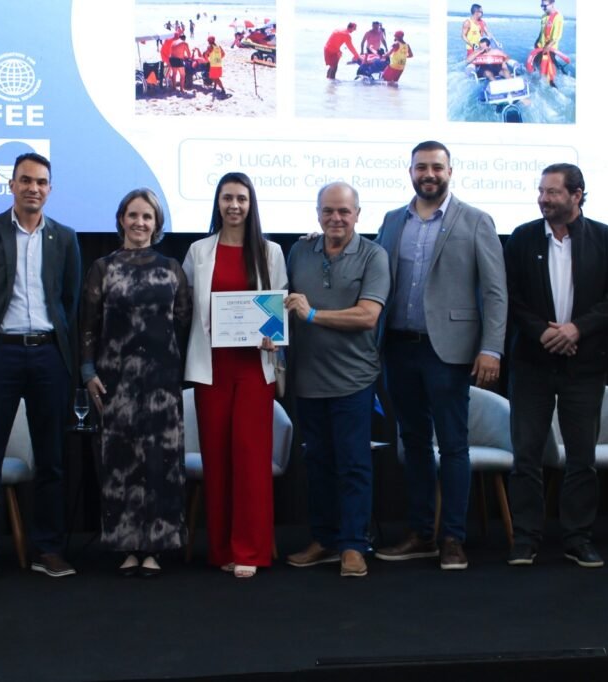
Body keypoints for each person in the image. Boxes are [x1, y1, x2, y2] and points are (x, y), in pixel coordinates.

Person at [373, 141, 507, 570]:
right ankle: (421, 534)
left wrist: (491, 348)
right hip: (399, 347)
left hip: (448, 351)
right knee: (413, 443)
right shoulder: (393, 220)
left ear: (450, 171)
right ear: (410, 171)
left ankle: (452, 537)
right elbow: (370, 270)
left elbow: (495, 291)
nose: (428, 174)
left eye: (436, 167)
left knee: (452, 445)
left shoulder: (475, 220)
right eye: (421, 167)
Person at [0, 152, 82, 582]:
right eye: (26, 180)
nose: (33, 188)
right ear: (11, 185)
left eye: (41, 182)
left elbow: (68, 300)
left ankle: (48, 549)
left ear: (50, 189)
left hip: (48, 355)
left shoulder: (64, 237)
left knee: (52, 460)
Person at [504, 164, 608, 568]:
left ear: (577, 195)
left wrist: (577, 329)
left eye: (553, 192)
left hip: (585, 363)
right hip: (532, 362)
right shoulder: (522, 237)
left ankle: (577, 538)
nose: (543, 199)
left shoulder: (605, 238)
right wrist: (542, 331)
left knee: (581, 457)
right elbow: (509, 295)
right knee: (526, 454)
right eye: (541, 191)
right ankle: (526, 538)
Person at [79, 189, 191, 578]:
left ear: (157, 224)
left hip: (163, 382)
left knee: (161, 462)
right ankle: (126, 546)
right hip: (115, 379)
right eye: (133, 215)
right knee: (120, 461)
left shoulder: (172, 268)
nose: (139, 222)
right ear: (121, 219)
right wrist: (88, 371)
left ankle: (156, 548)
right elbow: (89, 324)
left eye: (147, 217)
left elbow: (183, 322)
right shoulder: (102, 268)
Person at [182, 172, 288, 578]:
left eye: (241, 198)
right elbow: (185, 307)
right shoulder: (198, 251)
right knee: (217, 460)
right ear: (218, 203)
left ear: (250, 204)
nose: (234, 205)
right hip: (211, 369)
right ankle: (222, 549)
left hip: (254, 369)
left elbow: (276, 306)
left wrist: (274, 336)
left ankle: (250, 550)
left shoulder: (270, 251)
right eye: (227, 198)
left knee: (251, 459)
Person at [284, 183, 390, 579]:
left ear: (358, 214)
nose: (336, 218)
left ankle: (353, 545)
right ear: (317, 213)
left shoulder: (374, 256)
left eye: (344, 211)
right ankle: (325, 539)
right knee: (318, 465)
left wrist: (313, 315)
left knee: (353, 465)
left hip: (353, 380)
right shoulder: (299, 252)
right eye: (328, 211)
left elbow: (368, 316)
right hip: (308, 379)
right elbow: (280, 304)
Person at [532, 0, 565, 85]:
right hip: (540, 47)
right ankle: (537, 81)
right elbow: (542, 31)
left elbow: (556, 37)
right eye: (541, 6)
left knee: (549, 73)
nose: (543, 8)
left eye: (545, 6)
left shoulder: (558, 17)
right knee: (535, 65)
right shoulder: (543, 16)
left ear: (552, 4)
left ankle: (554, 84)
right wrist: (537, 41)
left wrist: (547, 48)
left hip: (549, 48)